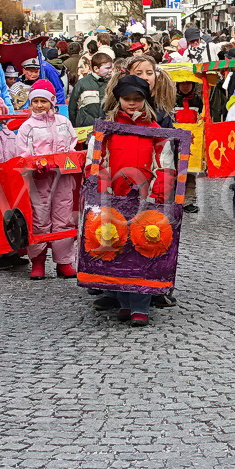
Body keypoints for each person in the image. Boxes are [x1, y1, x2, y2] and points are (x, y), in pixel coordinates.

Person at [99, 75, 177, 326]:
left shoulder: (155, 132)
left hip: (147, 199)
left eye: (137, 99)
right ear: (118, 100)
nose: (132, 104)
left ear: (145, 101)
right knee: (117, 250)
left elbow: (165, 165)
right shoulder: (108, 130)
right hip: (114, 197)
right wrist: (102, 191)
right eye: (127, 99)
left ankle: (140, 305)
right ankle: (123, 302)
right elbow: (98, 163)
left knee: (144, 249)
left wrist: (158, 195)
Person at [15, 79, 78, 281]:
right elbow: (22, 152)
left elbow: (72, 143)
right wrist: (34, 165)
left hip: (62, 177)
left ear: (52, 101)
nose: (39, 105)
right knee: (39, 217)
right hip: (38, 179)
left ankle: (64, 261)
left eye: (43, 101)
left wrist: (67, 158)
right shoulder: (27, 127)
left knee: (64, 215)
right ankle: (38, 260)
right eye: (35, 101)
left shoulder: (63, 122)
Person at [69, 52, 112, 128]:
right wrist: (75, 126)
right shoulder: (82, 83)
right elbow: (72, 107)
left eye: (111, 67)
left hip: (106, 126)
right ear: (96, 69)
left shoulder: (112, 83)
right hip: (85, 127)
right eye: (107, 68)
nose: (110, 70)